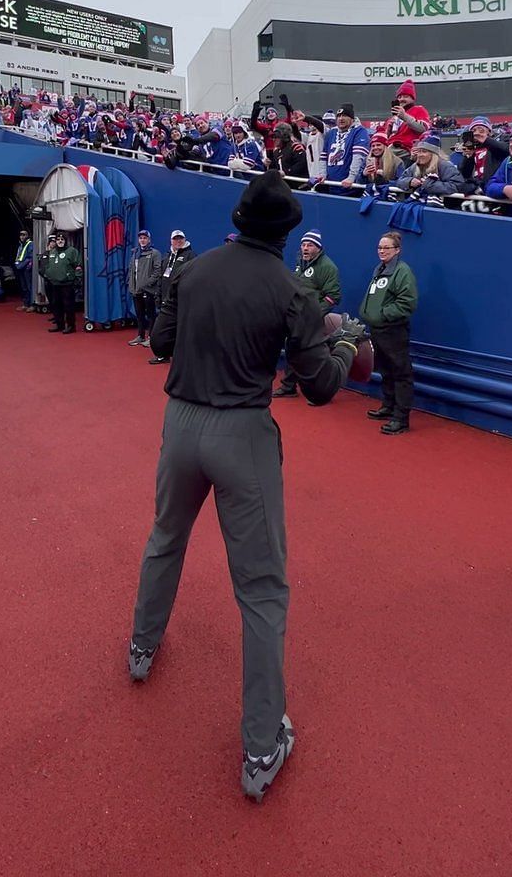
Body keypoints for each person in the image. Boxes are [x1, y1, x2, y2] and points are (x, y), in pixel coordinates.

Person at [128, 171, 366, 802]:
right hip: (242, 433)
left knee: (165, 538)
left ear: (237, 217)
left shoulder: (193, 270)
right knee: (262, 589)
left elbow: (160, 340)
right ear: (288, 233)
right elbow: (319, 387)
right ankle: (262, 744)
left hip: (180, 423)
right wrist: (343, 345)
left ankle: (141, 646)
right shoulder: (293, 291)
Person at [359, 231, 418, 435]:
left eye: (386, 248)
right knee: (385, 371)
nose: (382, 251)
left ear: (397, 250)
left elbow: (407, 303)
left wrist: (383, 315)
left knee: (401, 373)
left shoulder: (402, 272)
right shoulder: (380, 269)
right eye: (380, 247)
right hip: (377, 330)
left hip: (393, 330)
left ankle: (401, 418)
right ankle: (388, 406)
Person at [273, 230, 342, 398]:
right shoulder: (301, 262)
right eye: (303, 245)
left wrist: (314, 313)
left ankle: (320, 390)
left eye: (310, 245)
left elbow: (333, 296)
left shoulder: (327, 267)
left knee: (311, 354)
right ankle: (289, 386)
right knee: (293, 349)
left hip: (313, 319)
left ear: (318, 248)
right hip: (297, 317)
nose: (305, 248)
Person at [150, 231, 197, 366]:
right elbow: (161, 277)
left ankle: (183, 357)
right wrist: (158, 295)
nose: (178, 241)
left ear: (185, 239)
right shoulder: (167, 257)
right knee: (164, 331)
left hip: (181, 302)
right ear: (171, 241)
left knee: (182, 330)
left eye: (180, 238)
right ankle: (163, 355)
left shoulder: (190, 255)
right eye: (175, 239)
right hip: (166, 301)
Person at [396, 133, 464, 200]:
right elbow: (400, 180)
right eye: (419, 152)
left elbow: (457, 186)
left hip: (442, 206)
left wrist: (430, 185)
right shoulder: (415, 166)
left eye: (424, 152)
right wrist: (409, 182)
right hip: (418, 201)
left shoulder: (446, 166)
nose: (420, 155)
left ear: (433, 154)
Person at [456, 117, 509, 195]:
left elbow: (507, 150)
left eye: (481, 130)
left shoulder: (502, 138)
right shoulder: (472, 147)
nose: (477, 133)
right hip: (478, 189)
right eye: (473, 130)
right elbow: (465, 174)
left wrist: (486, 140)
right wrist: (469, 157)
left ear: (489, 131)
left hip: (495, 186)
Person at [127, 230, 162, 347]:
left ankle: (151, 337)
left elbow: (158, 271)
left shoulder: (155, 253)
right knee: (139, 314)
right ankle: (141, 336)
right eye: (141, 238)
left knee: (151, 315)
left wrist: (147, 284)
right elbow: (132, 270)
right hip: (136, 290)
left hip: (149, 291)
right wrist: (130, 284)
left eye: (145, 238)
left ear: (149, 240)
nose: (142, 240)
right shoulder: (135, 253)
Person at [43, 230, 82, 334]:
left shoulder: (71, 251)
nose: (60, 241)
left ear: (66, 240)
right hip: (54, 284)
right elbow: (47, 266)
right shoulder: (52, 252)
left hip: (67, 284)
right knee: (56, 305)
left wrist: (77, 279)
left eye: (62, 239)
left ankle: (71, 326)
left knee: (68, 306)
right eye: (58, 239)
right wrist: (48, 275)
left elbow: (78, 266)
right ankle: (59, 325)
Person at [383, 80, 431, 163]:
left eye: (405, 96)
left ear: (412, 98)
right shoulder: (394, 116)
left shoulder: (419, 109)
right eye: (399, 97)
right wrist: (389, 129)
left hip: (408, 152)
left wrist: (404, 116)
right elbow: (385, 138)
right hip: (391, 150)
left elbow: (423, 129)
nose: (401, 99)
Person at [323, 104, 370, 186]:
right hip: (330, 185)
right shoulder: (331, 133)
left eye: (344, 116)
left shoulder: (360, 131)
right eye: (339, 116)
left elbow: (358, 157)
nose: (341, 118)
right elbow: (323, 156)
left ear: (352, 118)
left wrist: (351, 177)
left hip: (350, 187)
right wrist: (322, 175)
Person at [14, 230, 34, 310]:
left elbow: (30, 256)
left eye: (24, 235)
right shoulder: (21, 245)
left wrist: (27, 266)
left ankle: (31, 305)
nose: (22, 236)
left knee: (29, 287)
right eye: (21, 235)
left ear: (28, 236)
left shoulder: (30, 244)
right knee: (24, 287)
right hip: (20, 268)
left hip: (26, 268)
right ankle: (26, 304)